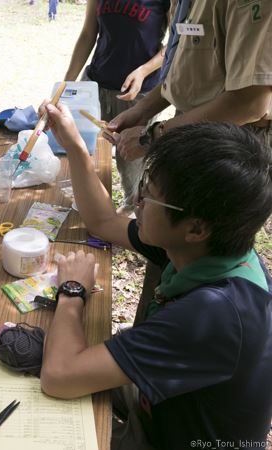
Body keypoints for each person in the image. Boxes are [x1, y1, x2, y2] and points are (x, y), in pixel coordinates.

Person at [40, 102, 272, 449]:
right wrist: (74, 146)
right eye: (145, 183)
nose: (136, 199)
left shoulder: (213, 314)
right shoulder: (210, 248)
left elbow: (59, 377)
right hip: (164, 408)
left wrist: (72, 291)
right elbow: (103, 221)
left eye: (150, 196)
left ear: (196, 227)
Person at [107, 0, 272, 161]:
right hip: (191, 129)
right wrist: (142, 111)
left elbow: (250, 103)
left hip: (236, 144)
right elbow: (190, 68)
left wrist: (153, 136)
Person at [64, 0, 170, 215]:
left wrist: (143, 70)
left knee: (130, 158)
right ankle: (87, 201)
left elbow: (174, 45)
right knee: (86, 148)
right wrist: (66, 85)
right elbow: (87, 35)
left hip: (138, 93)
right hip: (95, 85)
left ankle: (132, 209)